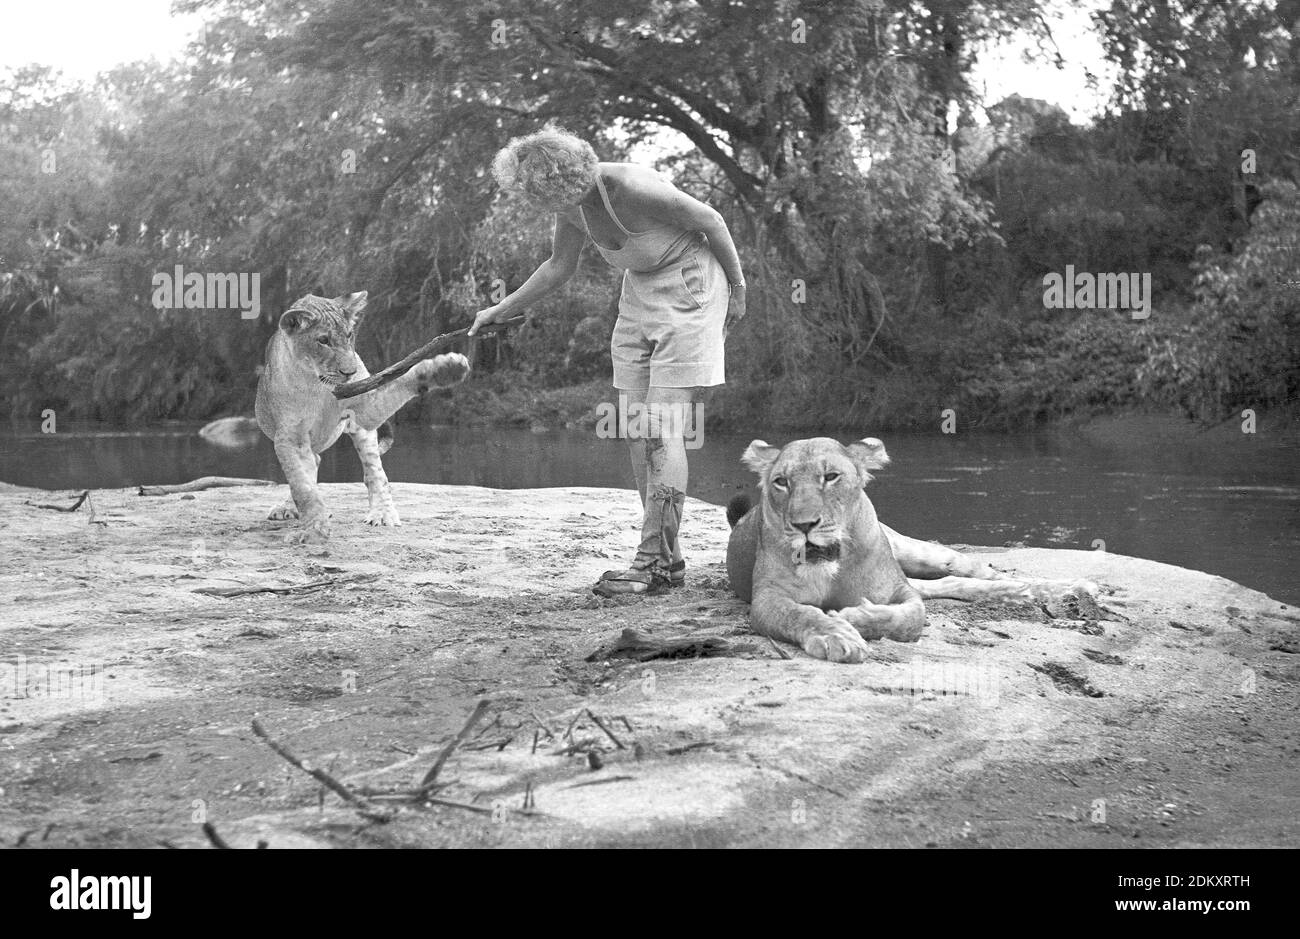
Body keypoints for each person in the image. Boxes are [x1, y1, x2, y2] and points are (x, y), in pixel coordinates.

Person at [469, 126, 746, 595]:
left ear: (558, 181)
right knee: (636, 426)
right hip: (639, 294)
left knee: (661, 426)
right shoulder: (571, 205)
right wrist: (503, 307)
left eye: (533, 193)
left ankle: (652, 561)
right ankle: (668, 557)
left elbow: (712, 221)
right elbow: (559, 266)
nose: (532, 201)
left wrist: (739, 290)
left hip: (693, 288)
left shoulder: (631, 187)